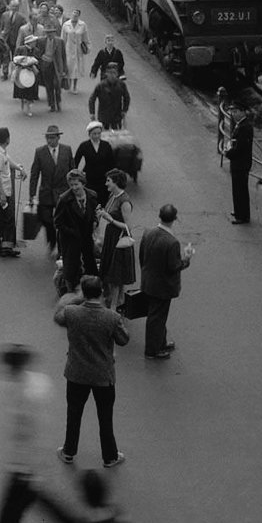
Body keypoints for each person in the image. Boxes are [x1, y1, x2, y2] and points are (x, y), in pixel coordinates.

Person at [0, 344, 66, 523]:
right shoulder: (24, 384)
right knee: (16, 508)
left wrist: (33, 469)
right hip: (22, 463)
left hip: (26, 465)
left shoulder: (30, 393)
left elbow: (35, 431)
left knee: (17, 508)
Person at [53, 275, 130, 468]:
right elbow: (123, 339)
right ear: (102, 292)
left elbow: (58, 315)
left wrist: (76, 297)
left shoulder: (71, 313)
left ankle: (69, 451)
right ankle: (110, 456)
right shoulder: (111, 318)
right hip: (103, 375)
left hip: (77, 373)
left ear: (84, 293)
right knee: (105, 418)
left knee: (74, 414)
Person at [138, 204, 195, 359]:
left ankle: (160, 342)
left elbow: (142, 256)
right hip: (162, 286)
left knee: (157, 315)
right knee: (157, 317)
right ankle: (152, 350)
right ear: (174, 219)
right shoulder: (172, 242)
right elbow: (174, 266)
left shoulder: (148, 232)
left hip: (149, 281)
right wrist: (187, 258)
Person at [29, 124, 74, 255]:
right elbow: (34, 174)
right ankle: (52, 240)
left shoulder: (67, 150)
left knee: (62, 222)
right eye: (48, 138)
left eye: (52, 138)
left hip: (62, 192)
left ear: (58, 138)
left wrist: (75, 189)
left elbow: (73, 171)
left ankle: (61, 248)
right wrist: (32, 194)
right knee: (47, 220)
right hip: (46, 192)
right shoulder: (39, 152)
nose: (50, 141)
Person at [54, 170, 100, 293]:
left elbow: (95, 213)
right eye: (71, 185)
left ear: (83, 183)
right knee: (70, 268)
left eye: (76, 184)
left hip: (87, 237)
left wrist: (95, 222)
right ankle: (70, 293)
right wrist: (72, 232)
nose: (74, 188)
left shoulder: (92, 196)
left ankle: (92, 290)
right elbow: (58, 222)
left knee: (90, 263)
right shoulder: (64, 199)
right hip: (70, 239)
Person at [97, 170, 134, 311]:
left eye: (108, 181)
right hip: (111, 237)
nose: (106, 183)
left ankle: (114, 307)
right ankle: (118, 301)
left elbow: (128, 227)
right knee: (110, 272)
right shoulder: (113, 195)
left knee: (116, 276)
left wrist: (109, 219)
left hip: (119, 240)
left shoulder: (124, 201)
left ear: (116, 182)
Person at [0, 127, 25, 258]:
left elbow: (7, 160)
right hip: (0, 193)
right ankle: (6, 247)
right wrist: (2, 195)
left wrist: (18, 168)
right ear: (8, 138)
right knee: (8, 219)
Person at [74, 120, 115, 208]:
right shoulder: (84, 146)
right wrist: (76, 176)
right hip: (89, 180)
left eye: (99, 133)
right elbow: (75, 162)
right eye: (94, 134)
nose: (97, 136)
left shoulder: (106, 145)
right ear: (89, 134)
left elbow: (111, 163)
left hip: (103, 180)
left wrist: (112, 179)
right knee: (91, 202)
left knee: (103, 203)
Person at [224, 106, 254, 224]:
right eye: (232, 112)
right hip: (238, 162)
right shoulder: (241, 125)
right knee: (237, 189)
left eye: (235, 111)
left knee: (240, 189)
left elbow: (240, 148)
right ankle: (239, 211)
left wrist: (228, 153)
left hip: (241, 163)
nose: (233, 114)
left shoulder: (244, 127)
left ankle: (242, 215)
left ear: (243, 111)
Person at [88, 63, 130, 131]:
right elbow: (92, 99)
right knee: (103, 136)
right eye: (110, 73)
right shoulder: (101, 86)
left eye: (114, 73)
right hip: (103, 116)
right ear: (106, 73)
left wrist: (124, 110)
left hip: (117, 115)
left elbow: (127, 98)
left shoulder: (121, 85)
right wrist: (92, 113)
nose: (112, 75)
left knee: (117, 136)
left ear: (117, 74)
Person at [38, 25, 67, 113]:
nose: (49, 34)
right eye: (48, 32)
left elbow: (63, 56)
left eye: (51, 32)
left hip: (57, 66)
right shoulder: (41, 41)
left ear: (54, 33)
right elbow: (38, 52)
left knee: (57, 85)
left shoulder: (60, 41)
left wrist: (65, 69)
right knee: (49, 86)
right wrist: (42, 58)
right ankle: (51, 105)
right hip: (46, 66)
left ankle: (58, 102)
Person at [60, 9, 90, 93]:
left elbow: (85, 37)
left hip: (78, 50)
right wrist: (62, 50)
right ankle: (68, 84)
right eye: (73, 13)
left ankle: (75, 87)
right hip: (68, 50)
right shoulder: (66, 25)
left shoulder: (82, 25)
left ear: (79, 16)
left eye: (76, 14)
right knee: (69, 68)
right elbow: (63, 38)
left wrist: (87, 47)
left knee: (76, 69)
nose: (75, 15)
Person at [11, 38, 41, 117]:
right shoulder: (20, 49)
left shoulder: (36, 50)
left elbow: (38, 60)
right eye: (33, 42)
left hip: (31, 73)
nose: (35, 43)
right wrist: (22, 65)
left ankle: (29, 108)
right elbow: (15, 60)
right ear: (29, 42)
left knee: (30, 92)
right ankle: (22, 101)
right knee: (22, 90)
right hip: (21, 72)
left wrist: (33, 66)